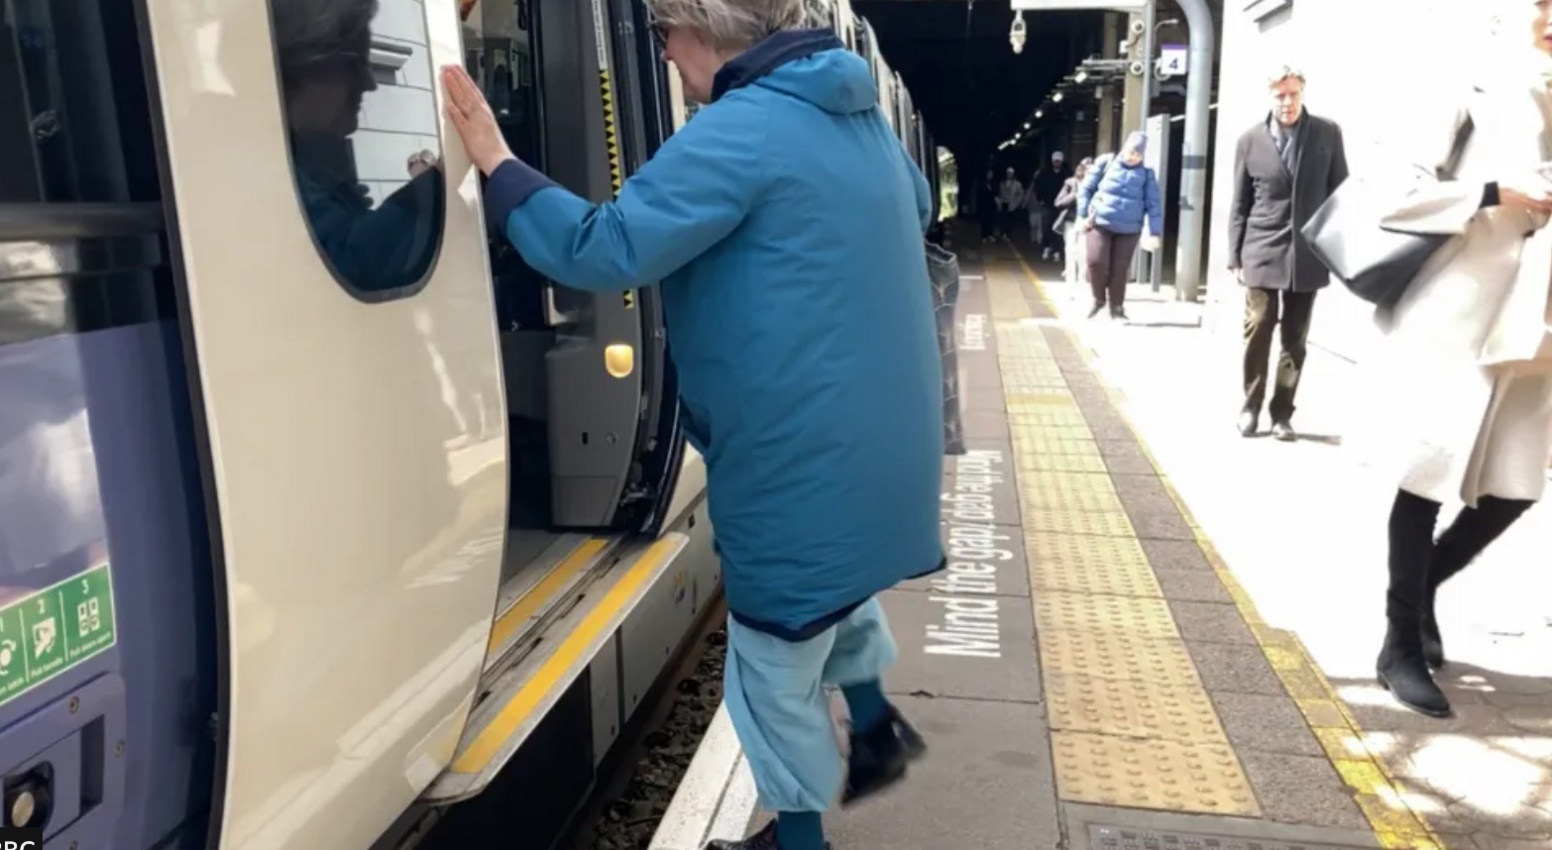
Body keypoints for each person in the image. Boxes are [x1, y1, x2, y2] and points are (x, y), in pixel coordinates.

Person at [439, 0, 944, 845]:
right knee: (837, 592)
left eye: (664, 33)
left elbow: (601, 248)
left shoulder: (740, 129)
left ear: (705, 30)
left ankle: (798, 840)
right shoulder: (856, 117)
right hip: (880, 440)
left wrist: (497, 160)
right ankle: (876, 726)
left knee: (770, 668)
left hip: (798, 455)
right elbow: (916, 203)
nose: (665, 55)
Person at [1355, 1, 1552, 720]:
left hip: (1536, 321)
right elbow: (1395, 189)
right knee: (1427, 469)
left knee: (1518, 486)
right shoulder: (1474, 82)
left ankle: (1424, 585)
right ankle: (1398, 644)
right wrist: (1497, 193)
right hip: (1459, 309)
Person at [1227, 66, 1349, 441]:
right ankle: (1250, 407)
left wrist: (1339, 249)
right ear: (1270, 96)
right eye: (1280, 95)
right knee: (1259, 326)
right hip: (1262, 247)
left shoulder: (1327, 133)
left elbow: (1341, 194)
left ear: (1302, 93)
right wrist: (1234, 255)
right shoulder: (1250, 140)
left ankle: (1282, 413)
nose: (1287, 102)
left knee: (1295, 338)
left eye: (1293, 94)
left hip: (1307, 252)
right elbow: (1240, 201)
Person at [1077, 132, 1162, 321]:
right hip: (1100, 223)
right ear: (1125, 148)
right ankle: (1098, 299)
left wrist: (1155, 231)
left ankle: (1117, 306)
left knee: (1120, 268)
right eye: (1131, 152)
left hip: (1129, 229)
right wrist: (1082, 215)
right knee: (1096, 261)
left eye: (1138, 155)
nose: (1133, 157)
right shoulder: (1106, 162)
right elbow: (1086, 189)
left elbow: (1154, 204)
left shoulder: (1147, 174)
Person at [1054, 156, 1091, 284]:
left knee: (1084, 251)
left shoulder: (1097, 185)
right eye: (1084, 168)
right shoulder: (1070, 183)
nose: (1086, 171)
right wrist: (1074, 195)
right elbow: (1058, 202)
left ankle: (1083, 277)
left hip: (1087, 222)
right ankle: (1071, 278)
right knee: (1070, 249)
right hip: (1071, 220)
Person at [1031, 150, 1072, 260]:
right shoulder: (1044, 173)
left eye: (1058, 161)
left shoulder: (1067, 174)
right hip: (1048, 204)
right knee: (1047, 227)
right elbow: (1037, 186)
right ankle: (1047, 248)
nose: (1057, 163)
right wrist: (1040, 199)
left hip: (1062, 206)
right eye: (1055, 161)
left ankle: (1058, 250)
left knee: (1059, 228)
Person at [998, 167, 1025, 242]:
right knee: (1003, 219)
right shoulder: (1002, 182)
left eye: (1011, 173)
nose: (1009, 175)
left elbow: (1021, 193)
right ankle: (1002, 234)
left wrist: (1017, 202)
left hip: (1012, 205)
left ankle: (1008, 234)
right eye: (1008, 173)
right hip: (1003, 203)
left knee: (1010, 221)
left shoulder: (1017, 184)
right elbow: (1000, 193)